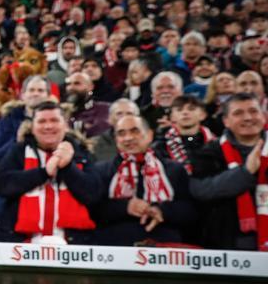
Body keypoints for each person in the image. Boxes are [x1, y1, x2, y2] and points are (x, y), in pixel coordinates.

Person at [0, 101, 100, 243]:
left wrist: (67, 167)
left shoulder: (81, 153)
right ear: (32, 127)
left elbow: (93, 194)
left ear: (65, 125)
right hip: (23, 245)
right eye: (42, 121)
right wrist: (43, 173)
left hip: (73, 246)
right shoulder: (18, 151)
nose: (48, 126)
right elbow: (3, 185)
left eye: (54, 120)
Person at [91, 114, 195, 246]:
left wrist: (162, 211)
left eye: (135, 131)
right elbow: (93, 211)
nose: (128, 138)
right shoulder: (102, 171)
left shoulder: (174, 169)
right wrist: (125, 207)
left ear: (150, 135)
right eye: (121, 134)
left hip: (164, 246)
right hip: (114, 247)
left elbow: (190, 211)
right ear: (116, 139)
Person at [190, 93, 268, 250]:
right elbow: (201, 190)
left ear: (264, 116)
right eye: (238, 113)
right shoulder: (208, 152)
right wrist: (245, 172)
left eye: (253, 111)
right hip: (228, 243)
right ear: (226, 121)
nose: (247, 117)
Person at [89, 98, 140, 163]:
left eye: (129, 113)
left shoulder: (147, 141)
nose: (124, 117)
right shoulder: (94, 144)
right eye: (119, 114)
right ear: (109, 118)